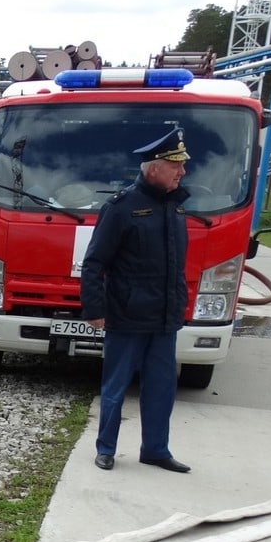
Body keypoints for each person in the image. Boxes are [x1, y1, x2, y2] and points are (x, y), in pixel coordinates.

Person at [80, 126, 194, 474]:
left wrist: (180, 305)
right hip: (127, 317)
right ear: (154, 167)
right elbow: (95, 263)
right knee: (115, 389)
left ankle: (156, 450)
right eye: (176, 165)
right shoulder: (121, 208)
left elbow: (176, 267)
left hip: (163, 320)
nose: (182, 171)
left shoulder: (175, 209)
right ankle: (106, 449)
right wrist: (95, 309)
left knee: (162, 389)